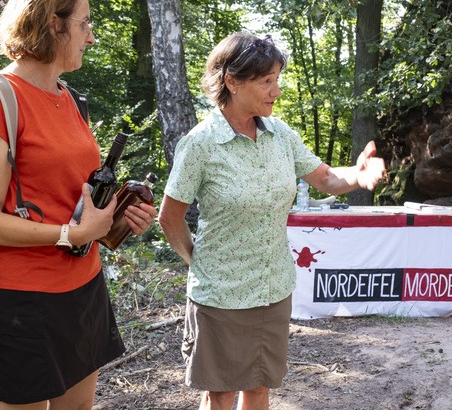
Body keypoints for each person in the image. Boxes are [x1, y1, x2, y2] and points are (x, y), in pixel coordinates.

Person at [157, 32, 386, 410]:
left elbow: (326, 178)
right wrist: (197, 262)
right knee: (221, 392)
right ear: (232, 81)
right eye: (267, 81)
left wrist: (359, 176)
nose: (276, 91)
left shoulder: (281, 136)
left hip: (273, 288)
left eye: (277, 79)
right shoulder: (200, 144)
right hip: (222, 294)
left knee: (260, 387)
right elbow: (170, 217)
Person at [0, 0, 157, 409]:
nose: (91, 36)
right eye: (85, 23)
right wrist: (72, 235)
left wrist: (115, 220)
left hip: (84, 285)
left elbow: (74, 201)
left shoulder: (68, 96)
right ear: (54, 24)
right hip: (23, 298)